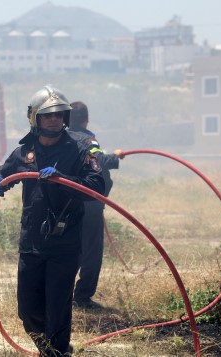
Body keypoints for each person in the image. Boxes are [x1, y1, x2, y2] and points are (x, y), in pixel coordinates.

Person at [0, 86, 105, 356]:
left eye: (58, 115)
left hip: (64, 243)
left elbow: (95, 184)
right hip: (32, 243)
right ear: (35, 119)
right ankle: (46, 346)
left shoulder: (79, 149)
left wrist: (64, 179)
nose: (54, 120)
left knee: (57, 305)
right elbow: (5, 173)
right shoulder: (24, 152)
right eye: (47, 115)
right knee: (27, 308)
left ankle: (59, 350)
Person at [67, 101, 124, 310]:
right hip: (88, 203)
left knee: (67, 249)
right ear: (85, 119)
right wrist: (115, 157)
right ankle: (82, 297)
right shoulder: (87, 139)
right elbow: (99, 160)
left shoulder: (60, 139)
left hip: (65, 204)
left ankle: (60, 293)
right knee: (90, 250)